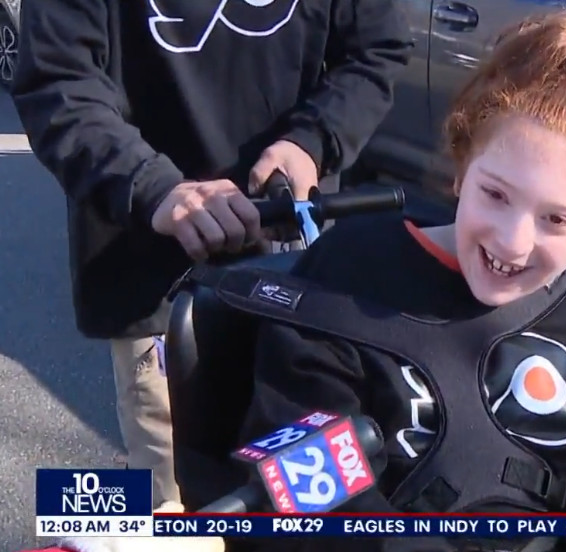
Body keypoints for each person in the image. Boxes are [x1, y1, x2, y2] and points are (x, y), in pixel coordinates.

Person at [20, 6, 566, 552]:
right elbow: (308, 484)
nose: (513, 242)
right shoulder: (343, 281)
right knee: (157, 506)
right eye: (495, 196)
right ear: (461, 157)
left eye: (557, 220)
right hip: (163, 262)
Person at [11, 0, 412, 509]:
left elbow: (377, 50)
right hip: (156, 276)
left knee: (310, 507)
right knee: (173, 506)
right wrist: (155, 188)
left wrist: (312, 140)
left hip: (300, 275)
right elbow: (58, 81)